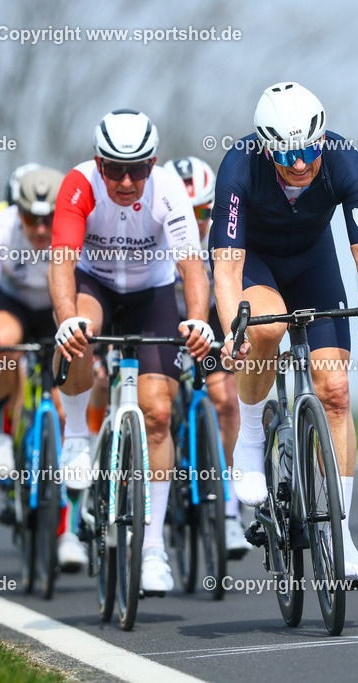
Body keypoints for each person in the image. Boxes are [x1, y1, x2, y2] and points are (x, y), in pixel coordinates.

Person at [210, 82, 358, 580]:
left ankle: (340, 533)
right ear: (267, 147)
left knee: (334, 389)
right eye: (287, 155)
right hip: (257, 265)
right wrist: (233, 331)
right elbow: (225, 269)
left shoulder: (343, 161)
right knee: (264, 330)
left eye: (309, 151)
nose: (300, 164)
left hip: (314, 264)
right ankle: (250, 435)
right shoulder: (238, 167)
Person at [49, 109, 213, 594]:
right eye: (114, 169)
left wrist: (199, 321)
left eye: (137, 169)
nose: (125, 181)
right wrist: (66, 320)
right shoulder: (78, 185)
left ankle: (154, 548)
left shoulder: (167, 191)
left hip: (151, 295)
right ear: (98, 162)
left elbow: (192, 268)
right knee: (80, 331)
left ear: (153, 163)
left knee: (159, 413)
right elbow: (61, 265)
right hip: (93, 285)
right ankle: (78, 435)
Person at [0, 164, 89, 571]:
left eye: (48, 219)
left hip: (59, 307)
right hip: (14, 306)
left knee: (68, 396)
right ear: (14, 209)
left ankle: (69, 529)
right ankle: (1, 433)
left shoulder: (78, 227)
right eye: (30, 218)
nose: (39, 229)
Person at [163, 156, 252, 559]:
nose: (197, 221)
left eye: (204, 210)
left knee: (226, 403)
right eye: (188, 211)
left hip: (210, 324)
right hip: (167, 322)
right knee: (157, 404)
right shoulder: (158, 234)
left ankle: (231, 512)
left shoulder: (223, 235)